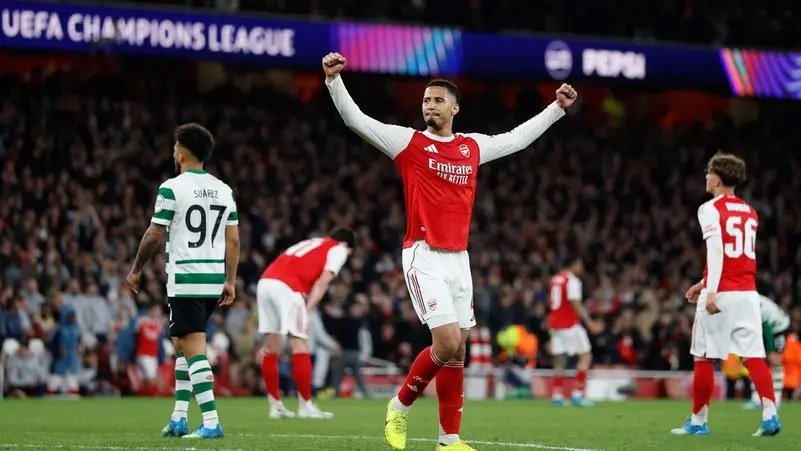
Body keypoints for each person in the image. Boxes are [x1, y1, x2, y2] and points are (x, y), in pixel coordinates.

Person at [323, 51, 577, 450]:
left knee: (457, 351)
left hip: (459, 258)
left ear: (454, 108)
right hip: (423, 254)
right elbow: (357, 121)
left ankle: (449, 439)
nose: (430, 105)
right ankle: (399, 405)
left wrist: (556, 109)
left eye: (438, 100)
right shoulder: (408, 143)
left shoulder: (471, 147)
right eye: (426, 100)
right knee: (445, 342)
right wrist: (334, 81)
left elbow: (516, 139)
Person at [126, 123, 239, 439]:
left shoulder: (172, 188)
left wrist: (136, 269)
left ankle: (211, 422)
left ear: (182, 153)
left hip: (186, 277)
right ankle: (178, 417)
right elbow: (233, 240)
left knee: (193, 348)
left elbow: (154, 233)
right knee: (181, 344)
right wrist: (230, 280)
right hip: (213, 279)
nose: (173, 151)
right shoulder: (224, 190)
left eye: (175, 146)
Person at [671, 152, 780, 437]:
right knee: (753, 356)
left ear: (717, 179)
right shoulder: (750, 211)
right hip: (748, 294)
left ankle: (698, 422)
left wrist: (711, 290)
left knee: (704, 357)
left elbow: (718, 250)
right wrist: (702, 282)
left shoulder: (709, 208)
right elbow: (737, 257)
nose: (706, 176)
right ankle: (770, 416)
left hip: (721, 293)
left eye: (709, 172)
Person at [258, 229, 354, 419]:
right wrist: (308, 309)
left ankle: (275, 406)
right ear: (347, 244)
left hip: (265, 282)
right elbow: (323, 281)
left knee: (270, 348)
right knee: (299, 344)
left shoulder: (312, 242)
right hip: (288, 287)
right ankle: (306, 406)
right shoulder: (339, 249)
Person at [547, 255, 601, 406]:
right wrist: (589, 322)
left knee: (560, 360)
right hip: (570, 325)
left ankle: (557, 396)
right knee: (585, 356)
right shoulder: (572, 281)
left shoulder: (555, 279)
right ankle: (577, 394)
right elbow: (574, 302)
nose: (581, 267)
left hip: (555, 324)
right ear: (574, 264)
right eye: (580, 264)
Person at [742, 293, 790, 409]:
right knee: (755, 360)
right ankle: (756, 399)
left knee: (776, 361)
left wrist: (770, 350)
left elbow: (766, 328)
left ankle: (777, 399)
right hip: (761, 329)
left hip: (779, 328)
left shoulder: (756, 304)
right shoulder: (745, 301)